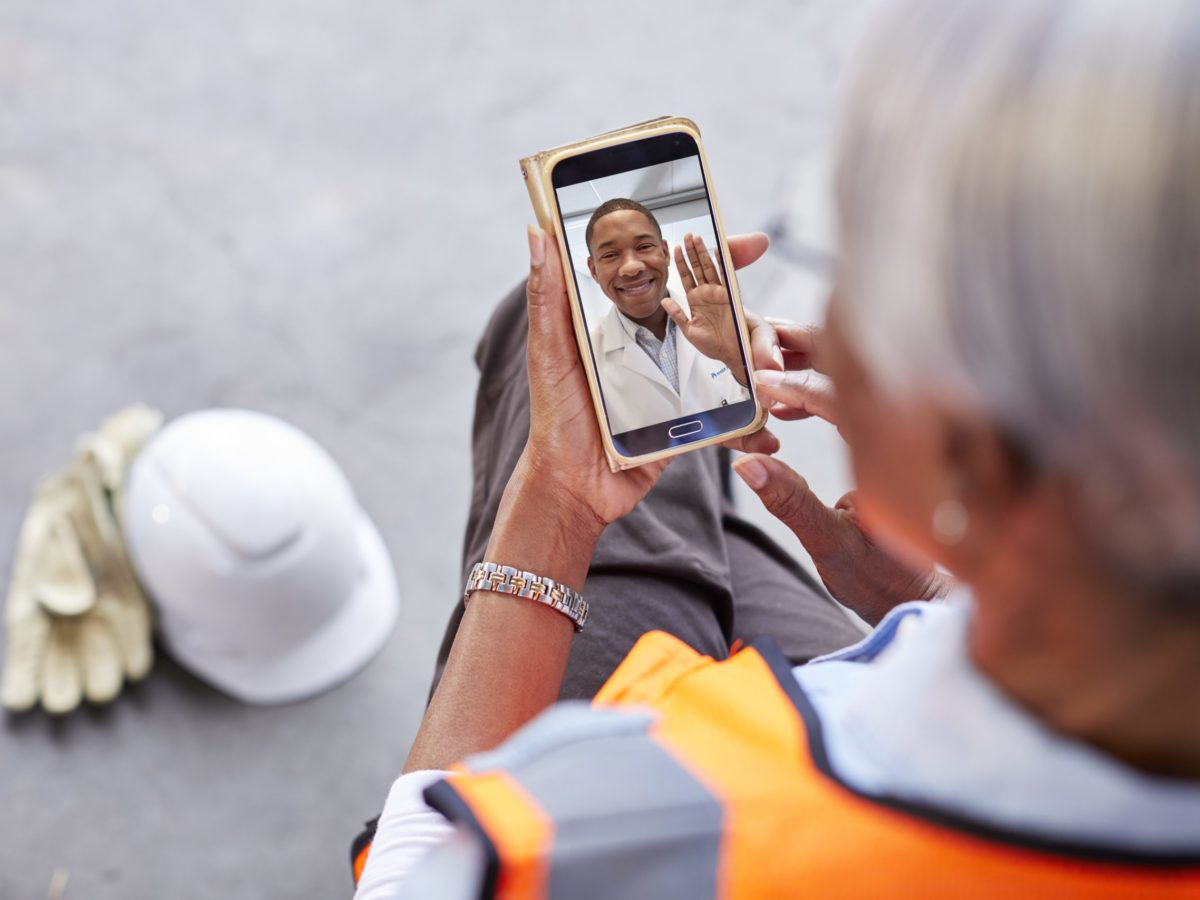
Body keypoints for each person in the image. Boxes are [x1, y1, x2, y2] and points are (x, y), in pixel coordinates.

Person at [356, 0, 1200, 894]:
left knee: (555, 372)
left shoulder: (633, 824)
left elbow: (411, 877)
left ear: (975, 457)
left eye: (844, 259)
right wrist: (969, 593)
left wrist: (556, 509)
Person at [582, 198, 751, 435]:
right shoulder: (583, 361)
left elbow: (771, 407)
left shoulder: (726, 318)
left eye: (643, 247)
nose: (631, 267)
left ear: (665, 252)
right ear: (593, 270)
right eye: (610, 255)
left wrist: (736, 360)